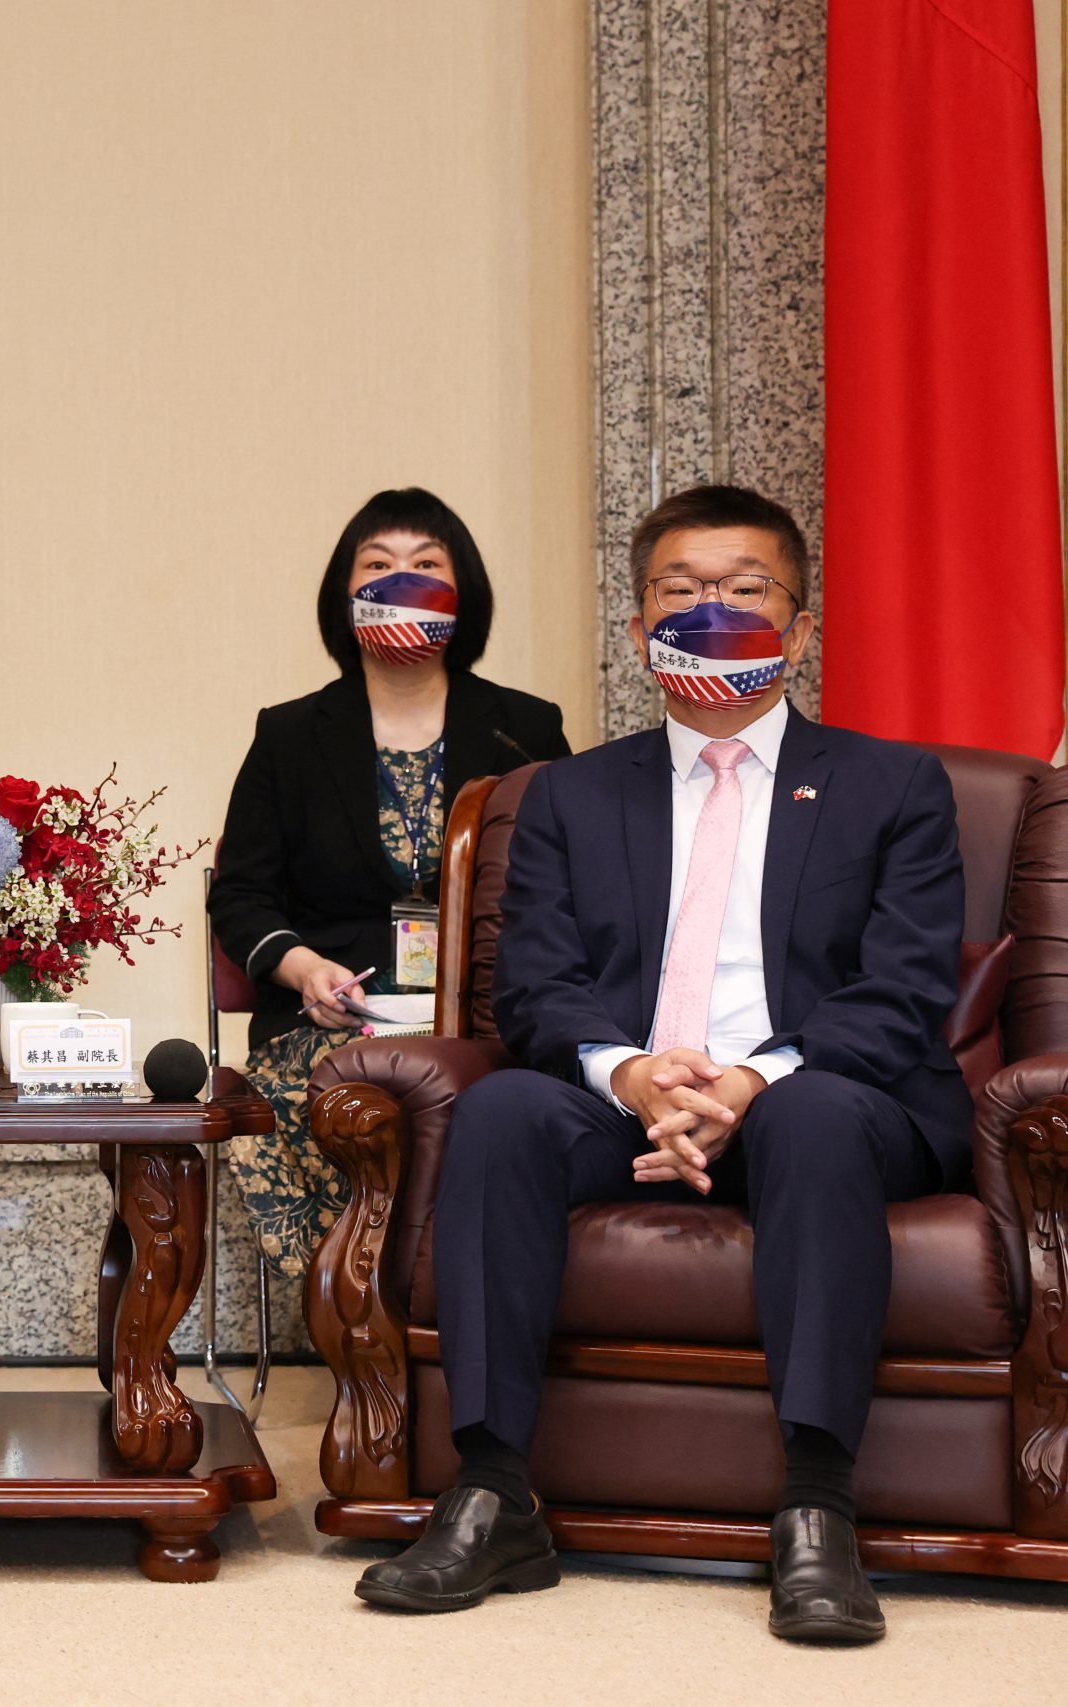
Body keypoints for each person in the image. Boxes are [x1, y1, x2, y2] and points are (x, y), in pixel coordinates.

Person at [354, 485, 968, 1645]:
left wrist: (750, 1081)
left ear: (799, 627)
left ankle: (817, 1508)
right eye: (678, 594)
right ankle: (492, 1489)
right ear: (637, 628)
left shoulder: (892, 787)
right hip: (631, 1097)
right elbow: (531, 986)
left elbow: (901, 992)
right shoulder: (568, 796)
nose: (710, 612)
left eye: (744, 592)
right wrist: (631, 1076)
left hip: (821, 1098)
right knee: (499, 1116)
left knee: (817, 1116)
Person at [210, 487, 567, 1274]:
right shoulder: (291, 734)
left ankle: (461, 1313)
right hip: (331, 1024)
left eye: (426, 566)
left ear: (461, 593)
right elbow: (239, 893)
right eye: (379, 566)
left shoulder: (526, 727)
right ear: (346, 597)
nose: (401, 581)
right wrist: (303, 970)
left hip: (484, 1021)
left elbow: (574, 885)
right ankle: (363, 1326)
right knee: (331, 1096)